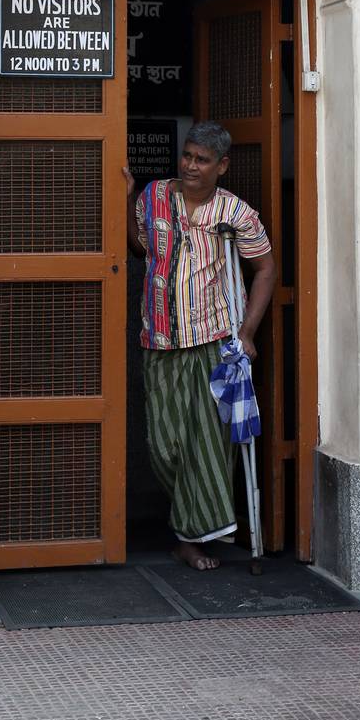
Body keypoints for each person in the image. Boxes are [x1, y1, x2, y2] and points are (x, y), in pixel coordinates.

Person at [123, 121, 276, 571]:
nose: (190, 165)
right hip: (159, 339)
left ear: (222, 165)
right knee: (164, 444)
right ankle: (188, 521)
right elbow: (140, 248)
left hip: (213, 341)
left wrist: (246, 333)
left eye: (202, 159)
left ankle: (190, 538)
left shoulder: (237, 214)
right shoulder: (154, 197)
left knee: (206, 445)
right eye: (187, 155)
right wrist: (126, 196)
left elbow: (266, 271)